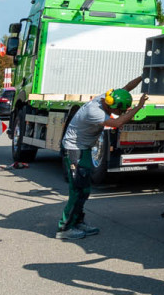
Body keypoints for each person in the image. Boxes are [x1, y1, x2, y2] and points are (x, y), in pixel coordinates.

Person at [56, 86, 145, 241]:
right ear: (112, 106)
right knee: (77, 189)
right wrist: (139, 107)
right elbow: (118, 122)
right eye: (120, 110)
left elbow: (126, 88)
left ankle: (77, 221)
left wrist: (142, 77)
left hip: (84, 149)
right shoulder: (94, 111)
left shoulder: (108, 98)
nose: (121, 113)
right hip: (74, 150)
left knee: (85, 189)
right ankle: (65, 228)